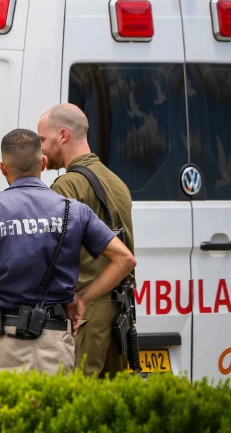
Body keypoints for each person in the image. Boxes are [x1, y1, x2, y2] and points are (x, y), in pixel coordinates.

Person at [0, 129, 136, 374]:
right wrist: (83, 299)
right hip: (54, 341)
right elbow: (125, 259)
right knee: (52, 412)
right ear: (42, 163)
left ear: (3, 168)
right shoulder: (74, 210)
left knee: (1, 411)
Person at [38, 103, 135, 377]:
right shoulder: (116, 181)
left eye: (44, 140)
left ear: (64, 135)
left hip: (87, 310)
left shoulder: (66, 185)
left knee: (79, 397)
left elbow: (50, 254)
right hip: (120, 309)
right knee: (109, 401)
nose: (41, 149)